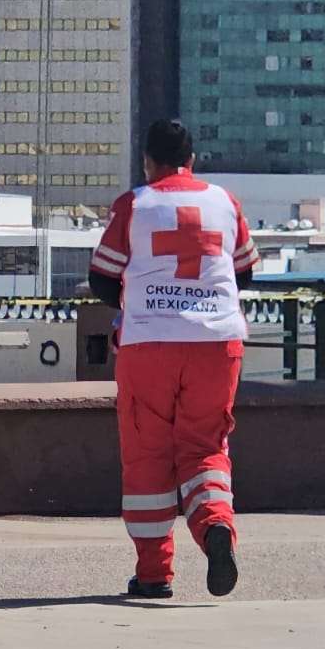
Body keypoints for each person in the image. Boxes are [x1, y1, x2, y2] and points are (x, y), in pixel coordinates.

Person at [87, 119, 261, 599]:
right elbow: (244, 271)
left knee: (148, 453)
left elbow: (102, 278)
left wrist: (143, 298)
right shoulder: (225, 202)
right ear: (193, 159)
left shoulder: (135, 204)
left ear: (147, 160)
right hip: (219, 344)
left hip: (150, 345)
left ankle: (154, 574)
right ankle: (214, 528)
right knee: (206, 447)